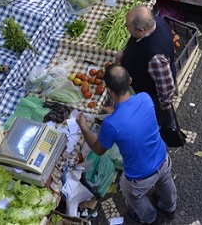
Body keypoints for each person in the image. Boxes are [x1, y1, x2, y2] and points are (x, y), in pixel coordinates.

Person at [76, 66, 177, 225]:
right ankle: (169, 206)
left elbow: (98, 149)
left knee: (131, 193)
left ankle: (148, 218)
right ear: (129, 81)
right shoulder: (145, 97)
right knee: (165, 180)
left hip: (139, 177)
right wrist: (115, 112)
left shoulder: (111, 124)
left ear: (108, 90)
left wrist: (83, 127)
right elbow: (132, 116)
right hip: (163, 159)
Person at [121, 6, 176, 112]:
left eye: (128, 26)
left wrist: (163, 109)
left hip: (148, 94)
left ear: (141, 30)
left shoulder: (155, 57)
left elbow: (165, 89)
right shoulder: (157, 21)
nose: (125, 26)